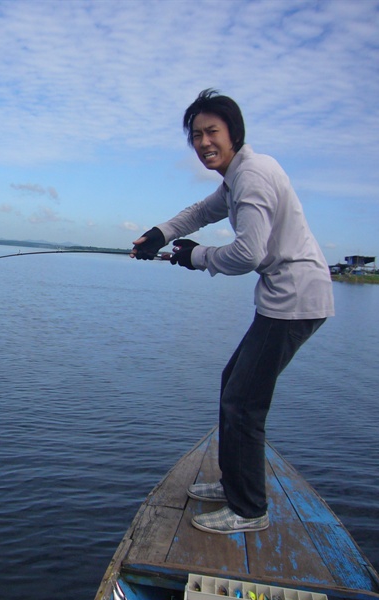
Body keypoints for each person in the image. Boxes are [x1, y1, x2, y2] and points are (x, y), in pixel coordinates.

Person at [131, 89, 334, 535]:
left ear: (233, 133)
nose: (204, 142)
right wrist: (159, 234)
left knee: (243, 401)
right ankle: (235, 483)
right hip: (286, 298)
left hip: (295, 300)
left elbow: (247, 253)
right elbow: (203, 210)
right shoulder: (239, 175)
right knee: (234, 386)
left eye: (212, 132)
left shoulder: (253, 178)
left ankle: (249, 509)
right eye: (197, 135)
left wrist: (195, 257)